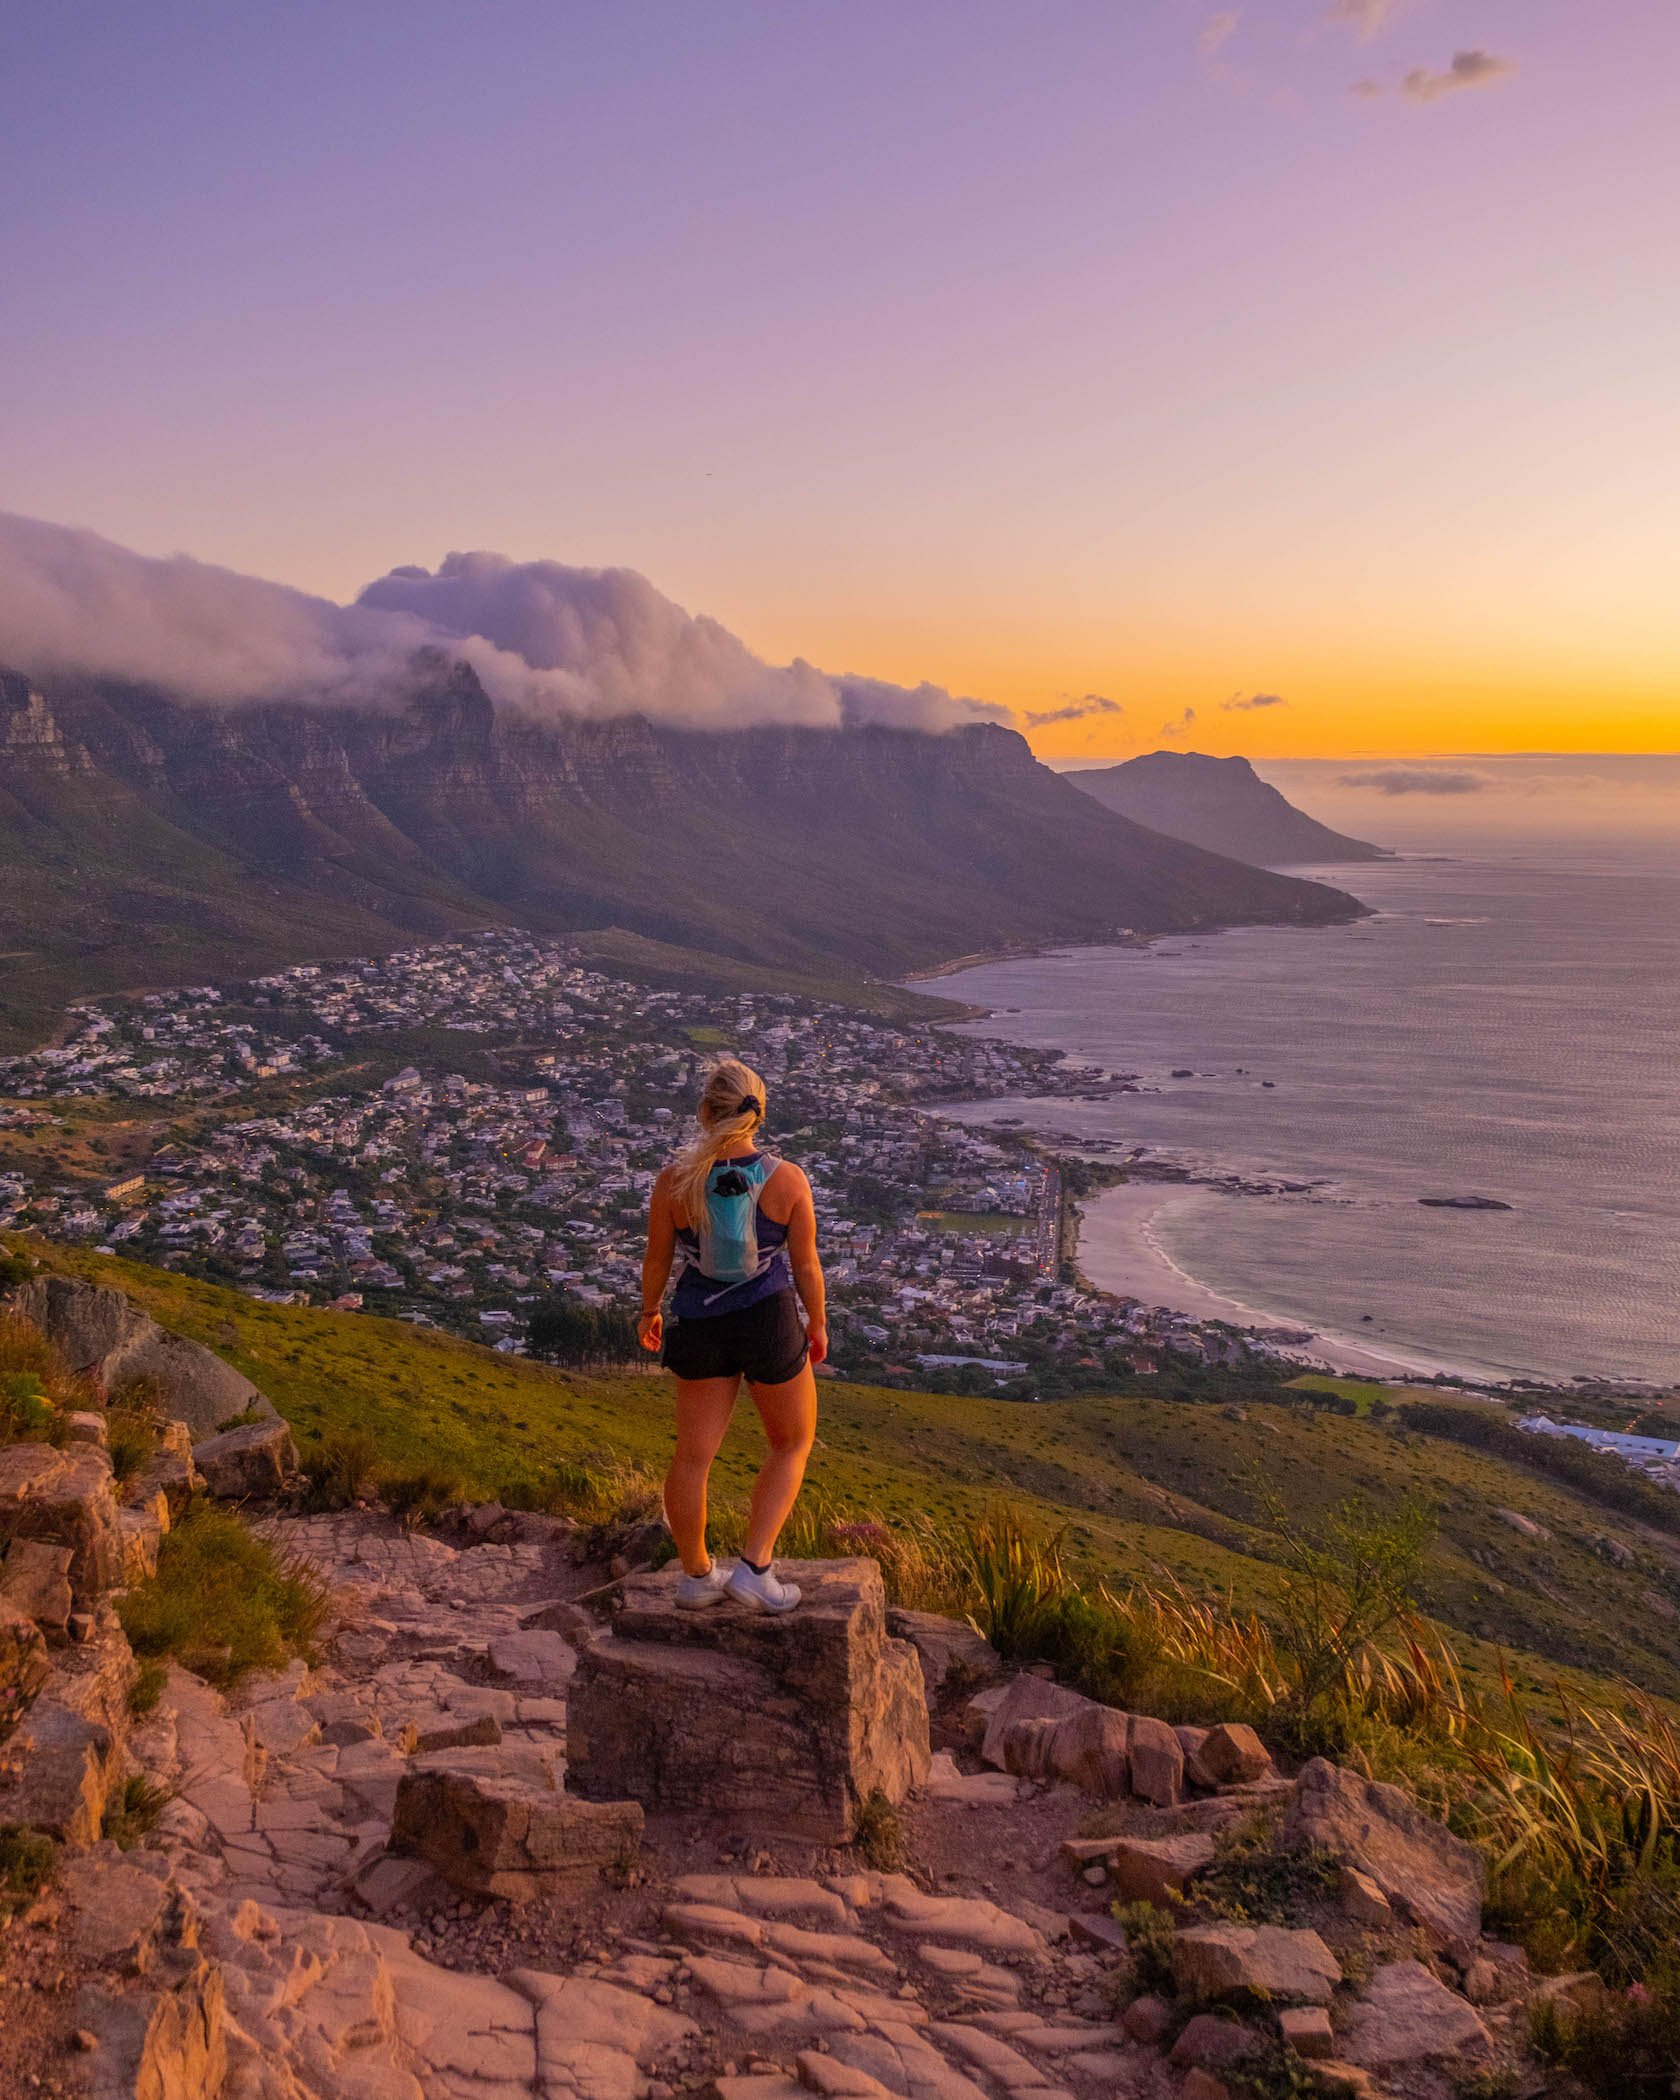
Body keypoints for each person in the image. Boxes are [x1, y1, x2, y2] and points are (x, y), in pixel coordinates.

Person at [639, 1057, 826, 1613]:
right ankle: (756, 1567)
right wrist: (817, 1323)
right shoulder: (786, 1179)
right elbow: (807, 1265)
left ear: (705, 1112)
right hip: (768, 1320)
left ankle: (697, 1576)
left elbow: (658, 1258)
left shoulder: (675, 1181)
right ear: (758, 1115)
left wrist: (649, 1310)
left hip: (701, 1323)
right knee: (791, 1442)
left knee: (693, 1457)